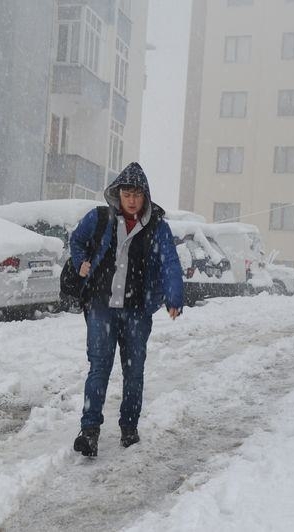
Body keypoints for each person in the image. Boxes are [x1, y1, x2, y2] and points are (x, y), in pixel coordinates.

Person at [70, 162, 183, 457]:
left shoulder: (157, 227)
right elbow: (76, 240)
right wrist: (80, 262)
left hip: (137, 311)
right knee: (99, 367)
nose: (131, 200)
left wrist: (174, 297)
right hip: (101, 307)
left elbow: (170, 263)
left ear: (146, 196)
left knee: (133, 372)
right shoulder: (100, 218)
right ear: (118, 194)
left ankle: (129, 427)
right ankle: (89, 431)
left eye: (137, 195)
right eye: (126, 194)